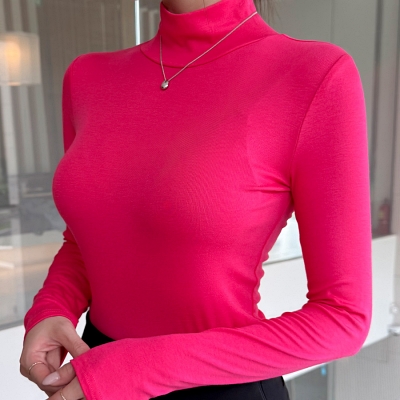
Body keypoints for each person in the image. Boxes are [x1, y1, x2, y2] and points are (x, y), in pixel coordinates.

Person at [19, 0, 373, 399]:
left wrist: (137, 369)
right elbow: (87, 240)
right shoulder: (86, 77)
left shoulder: (313, 75)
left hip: (219, 387)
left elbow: (343, 318)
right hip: (96, 375)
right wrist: (51, 307)